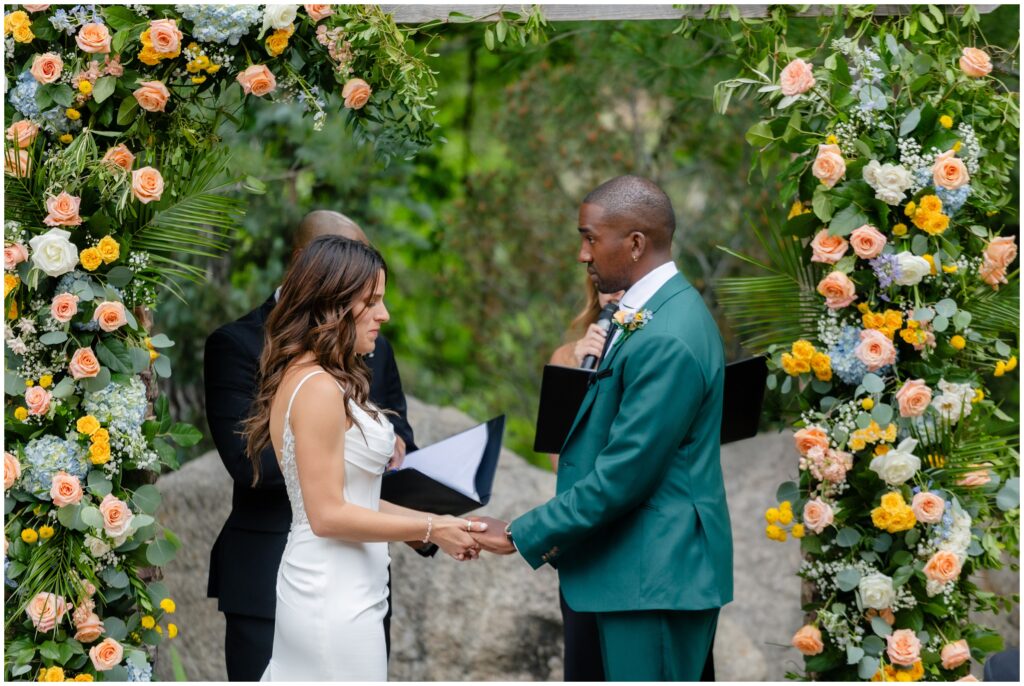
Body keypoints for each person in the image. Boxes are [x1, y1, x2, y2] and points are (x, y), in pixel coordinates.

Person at [473, 175, 733, 681]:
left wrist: (521, 532)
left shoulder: (668, 336)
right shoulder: (644, 315)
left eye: (590, 238)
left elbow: (625, 474)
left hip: (653, 578)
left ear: (635, 243)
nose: (582, 254)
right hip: (626, 573)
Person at [240, 235, 487, 681]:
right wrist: (432, 527)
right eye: (371, 301)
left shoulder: (321, 378)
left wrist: (450, 526)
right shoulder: (315, 387)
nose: (384, 315)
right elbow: (328, 515)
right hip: (331, 594)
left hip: (350, 587)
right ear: (331, 304)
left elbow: (358, 498)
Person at [204, 211, 428, 681]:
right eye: (369, 296)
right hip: (276, 571)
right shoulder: (239, 345)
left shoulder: (368, 343)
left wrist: (398, 446)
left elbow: (391, 419)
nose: (382, 314)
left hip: (360, 576)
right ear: (315, 271)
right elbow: (250, 464)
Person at [546, 276, 623, 682]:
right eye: (606, 286)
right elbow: (561, 461)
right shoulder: (568, 355)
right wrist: (577, 368)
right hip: (585, 532)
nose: (616, 294)